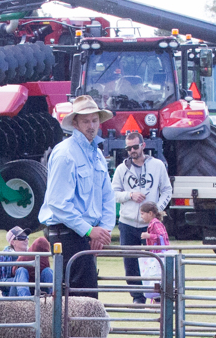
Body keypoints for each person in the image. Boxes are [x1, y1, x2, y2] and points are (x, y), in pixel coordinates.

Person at [39, 95, 115, 299]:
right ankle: (70, 332)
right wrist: (90, 230)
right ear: (75, 123)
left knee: (85, 296)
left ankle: (77, 331)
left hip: (84, 234)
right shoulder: (65, 154)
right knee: (80, 299)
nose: (91, 126)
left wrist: (103, 231)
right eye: (85, 121)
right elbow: (57, 203)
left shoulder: (97, 155)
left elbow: (108, 196)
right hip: (67, 234)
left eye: (94, 120)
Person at [112, 131, 171, 304]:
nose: (132, 151)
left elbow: (167, 190)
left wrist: (156, 211)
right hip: (128, 222)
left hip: (150, 225)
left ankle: (157, 295)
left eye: (135, 147)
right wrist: (130, 195)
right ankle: (137, 297)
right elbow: (113, 193)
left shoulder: (158, 165)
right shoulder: (121, 169)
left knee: (155, 260)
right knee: (130, 262)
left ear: (143, 146)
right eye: (128, 148)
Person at [138, 202, 170, 304]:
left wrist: (148, 236)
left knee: (156, 277)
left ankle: (158, 302)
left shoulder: (155, 223)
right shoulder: (154, 223)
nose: (141, 216)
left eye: (142, 213)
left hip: (159, 255)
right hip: (157, 255)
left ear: (150, 213)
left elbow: (161, 236)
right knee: (156, 278)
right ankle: (157, 301)